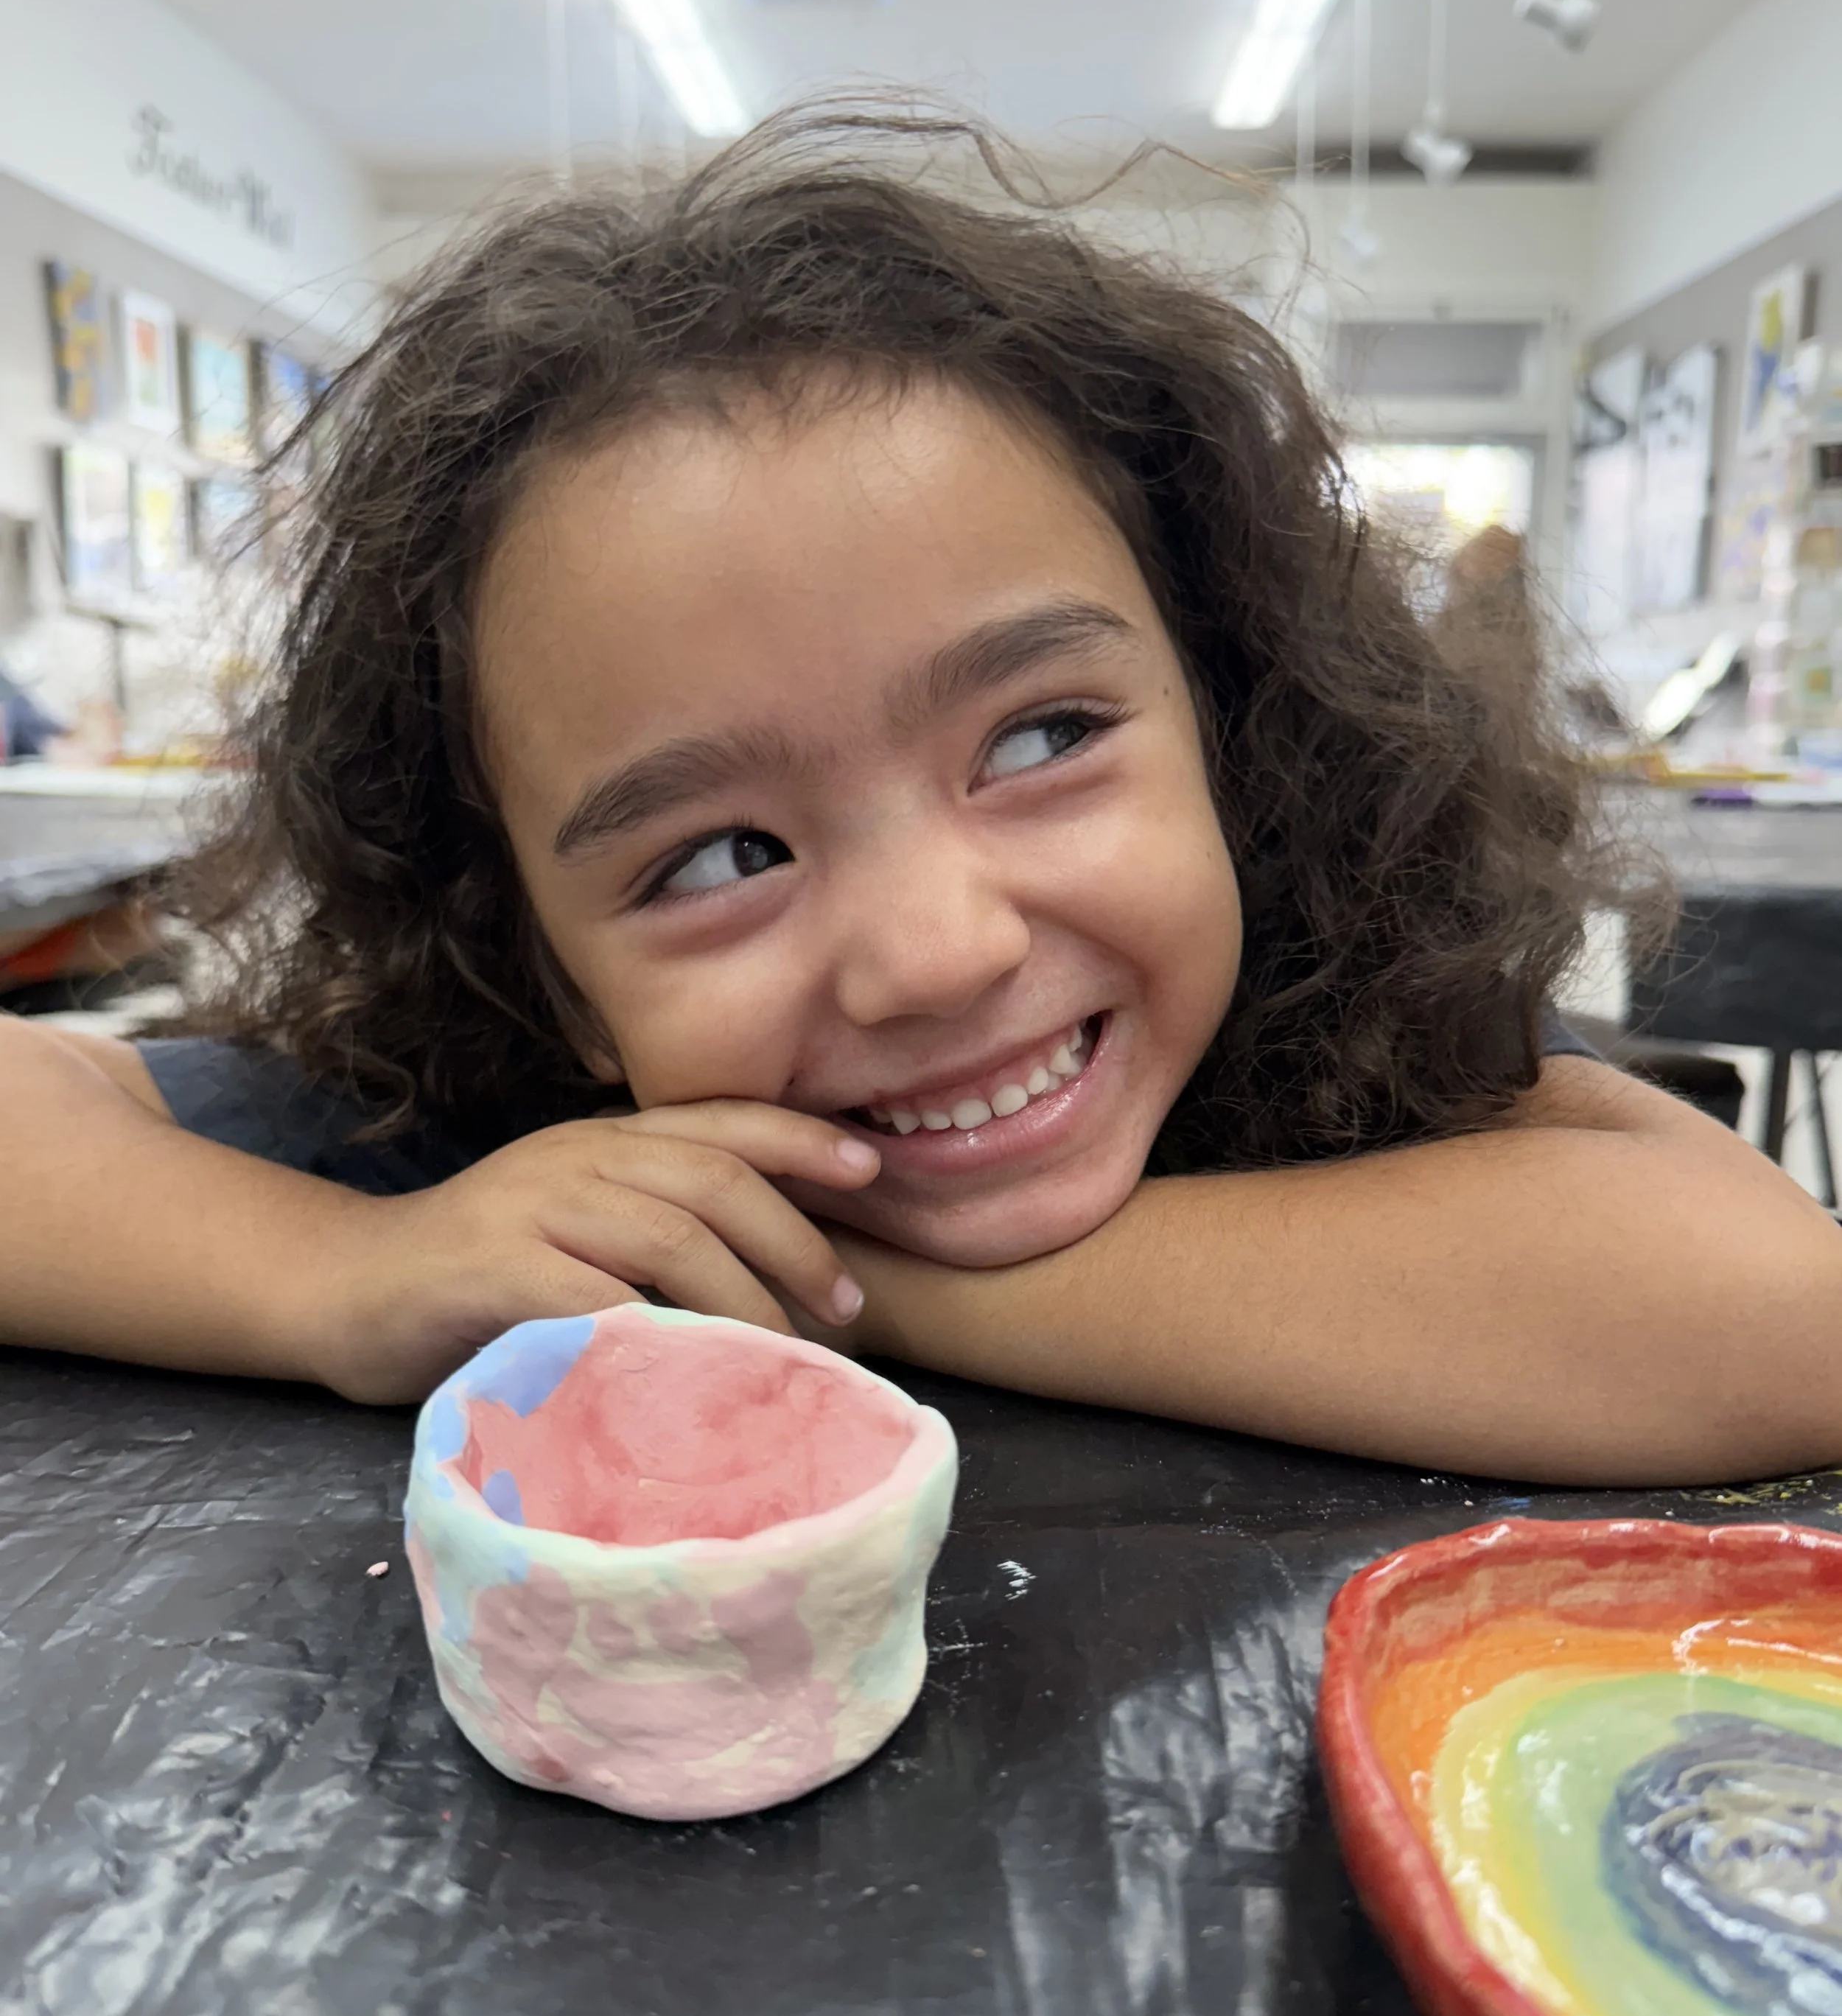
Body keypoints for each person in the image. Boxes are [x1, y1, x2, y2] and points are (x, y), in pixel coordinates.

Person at [3, 107, 1838, 1485]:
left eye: (1039, 740)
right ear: (543, 970)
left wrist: (853, 1279)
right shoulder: (517, 1157)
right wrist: (348, 1273)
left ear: (1223, 717)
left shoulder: (1330, 1031)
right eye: (719, 854)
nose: (937, 953)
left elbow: (1782, 1317)